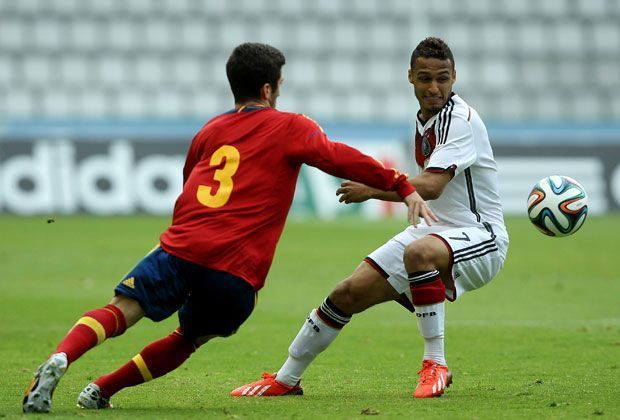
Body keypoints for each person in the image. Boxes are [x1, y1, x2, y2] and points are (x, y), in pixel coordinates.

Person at [22, 42, 433, 413]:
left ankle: (62, 357)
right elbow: (336, 156)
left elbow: (189, 188)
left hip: (181, 248)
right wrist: (398, 183)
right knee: (189, 337)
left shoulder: (210, 131)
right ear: (270, 89)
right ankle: (102, 389)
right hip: (236, 272)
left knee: (120, 310)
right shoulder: (292, 126)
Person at [231, 37, 509, 399]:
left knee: (419, 254)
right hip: (437, 230)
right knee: (346, 294)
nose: (434, 88)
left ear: (455, 76)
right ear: (410, 77)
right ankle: (286, 378)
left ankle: (435, 364)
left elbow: (433, 185)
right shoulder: (426, 119)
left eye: (442, 78)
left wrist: (373, 189)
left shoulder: (460, 120)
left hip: (481, 236)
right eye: (425, 78)